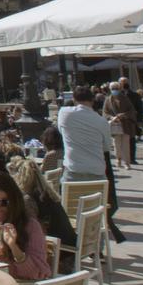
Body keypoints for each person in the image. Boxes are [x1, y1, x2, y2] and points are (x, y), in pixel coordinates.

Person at [55, 86, 122, 243]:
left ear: (74, 99)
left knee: (68, 211)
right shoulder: (101, 121)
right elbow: (106, 146)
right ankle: (96, 248)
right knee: (94, 214)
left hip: (73, 170)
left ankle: (72, 245)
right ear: (92, 100)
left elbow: (60, 130)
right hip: (96, 171)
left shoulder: (64, 113)